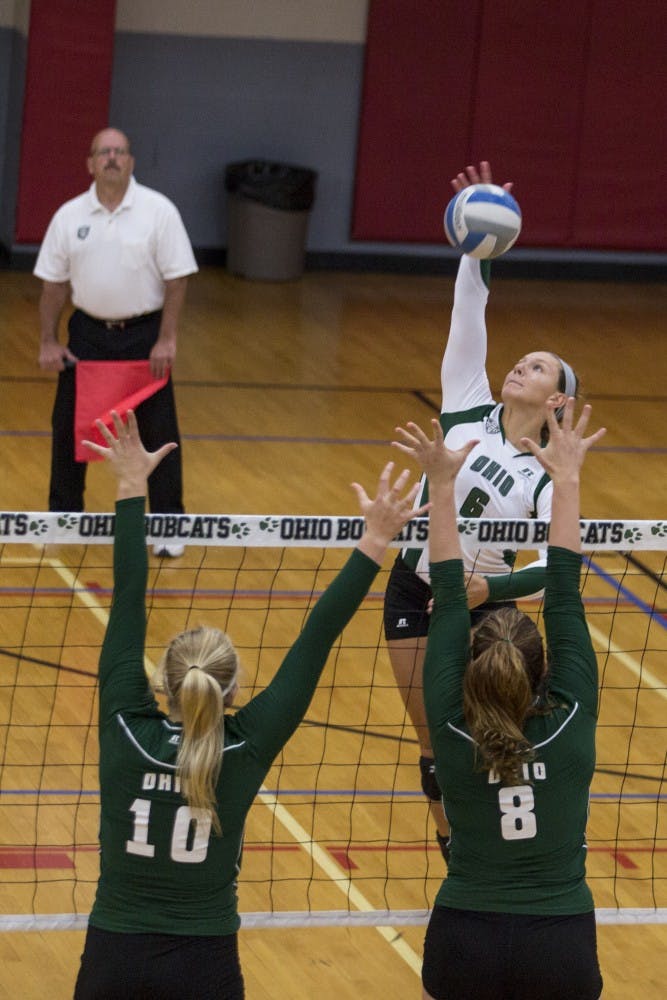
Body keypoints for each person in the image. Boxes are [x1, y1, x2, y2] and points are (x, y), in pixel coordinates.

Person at [73, 409, 428, 1000]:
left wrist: (131, 485)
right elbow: (318, 636)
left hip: (115, 958)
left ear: (161, 681)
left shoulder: (125, 730)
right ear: (232, 691)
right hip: (203, 964)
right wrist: (374, 540)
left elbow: (128, 599)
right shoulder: (245, 745)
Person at [383, 161, 580, 859]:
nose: (518, 368)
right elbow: (470, 308)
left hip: (485, 611)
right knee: (433, 734)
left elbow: (555, 571)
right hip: (413, 587)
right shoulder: (466, 399)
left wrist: (484, 590)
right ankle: (455, 856)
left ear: (555, 400)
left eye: (536, 368)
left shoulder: (548, 474)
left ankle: (514, 840)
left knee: (501, 729)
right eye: (519, 361)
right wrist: (482, 235)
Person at [392, 399, 606, 1000]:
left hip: (465, 941)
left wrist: (441, 483)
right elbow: (563, 587)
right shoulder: (568, 725)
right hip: (560, 946)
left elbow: (450, 589)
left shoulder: (451, 732)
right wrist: (568, 479)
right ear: (543, 672)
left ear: (469, 668)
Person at [34, 126, 198, 557]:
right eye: (103, 152)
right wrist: (48, 341)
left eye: (120, 151)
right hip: (87, 335)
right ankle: (65, 519)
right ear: (90, 163)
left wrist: (167, 338)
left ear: (131, 162)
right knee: (68, 427)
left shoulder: (159, 211)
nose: (112, 158)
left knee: (160, 432)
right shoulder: (69, 216)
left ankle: (168, 526)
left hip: (145, 337)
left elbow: (177, 278)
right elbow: (53, 285)